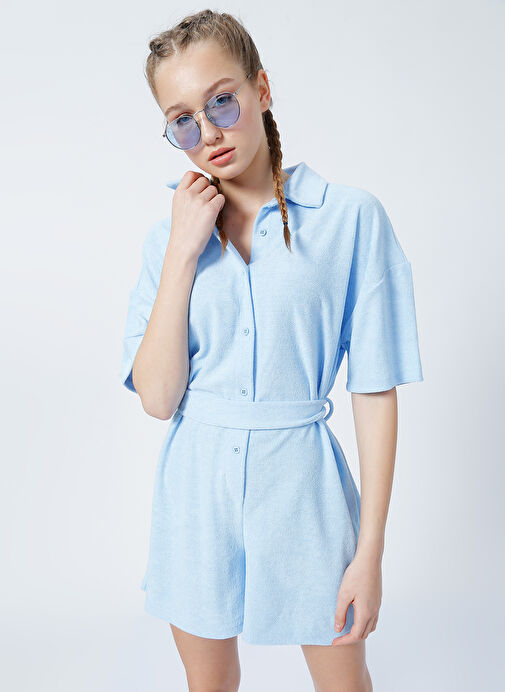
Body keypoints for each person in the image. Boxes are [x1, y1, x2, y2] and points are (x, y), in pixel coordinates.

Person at [120, 9, 423, 692]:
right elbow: (159, 399)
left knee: (343, 683)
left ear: (261, 89)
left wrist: (369, 552)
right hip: (195, 497)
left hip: (305, 492)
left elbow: (374, 391)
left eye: (221, 101)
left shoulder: (350, 219)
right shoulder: (166, 239)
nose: (208, 132)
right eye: (182, 121)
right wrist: (183, 251)